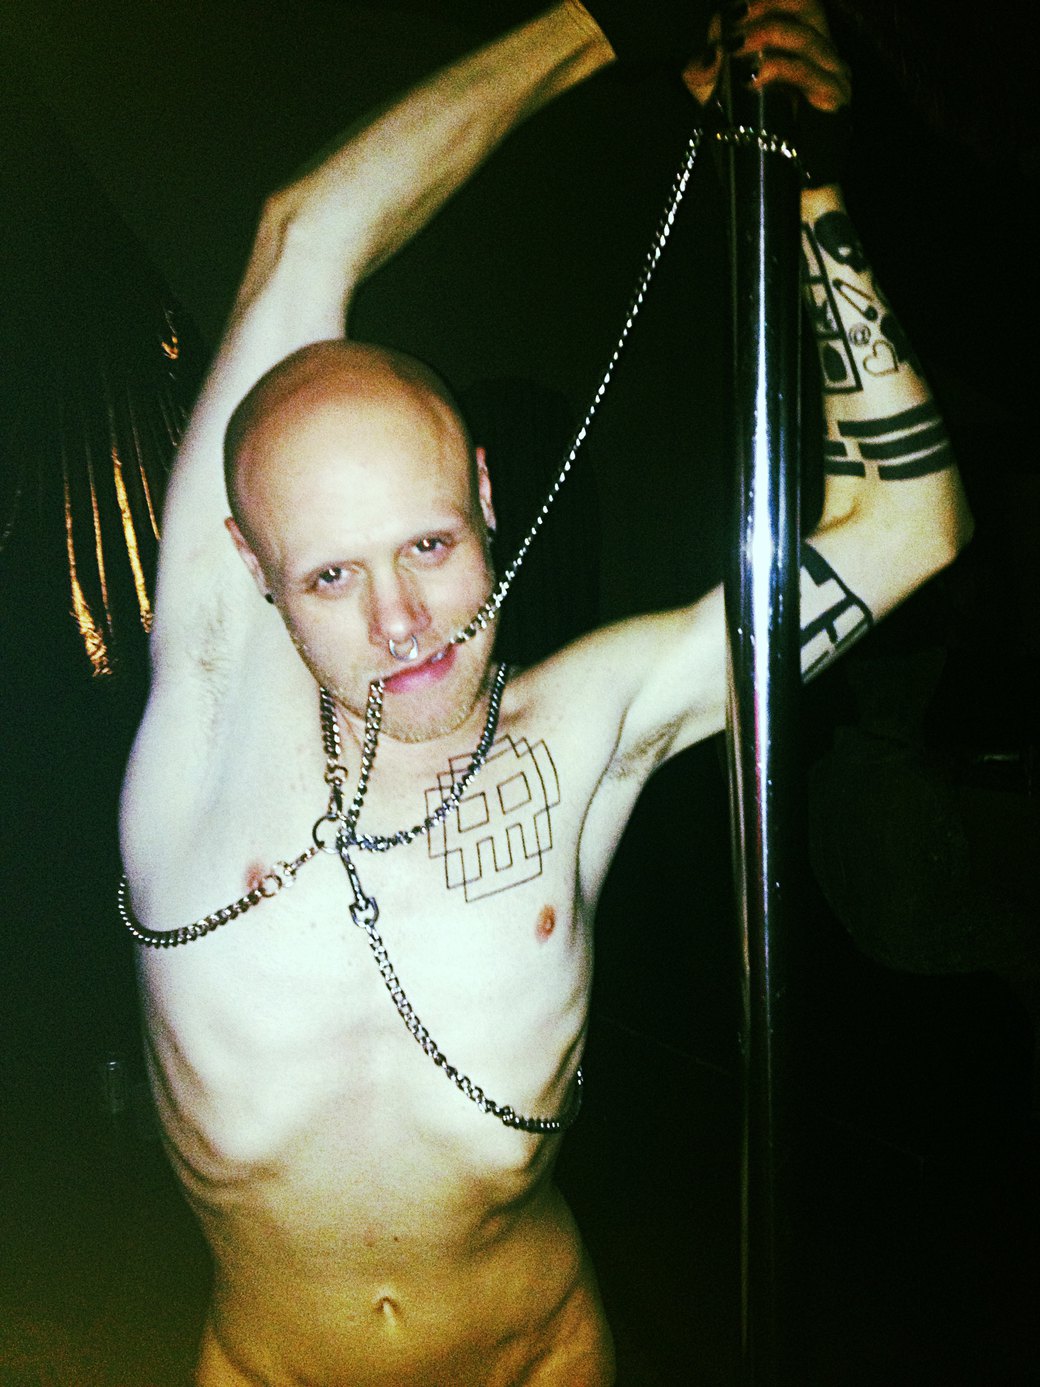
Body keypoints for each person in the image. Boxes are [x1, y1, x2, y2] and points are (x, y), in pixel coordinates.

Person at [119, 2, 972, 1382]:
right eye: (329, 576)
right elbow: (305, 233)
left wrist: (805, 187)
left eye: (430, 546)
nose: (402, 624)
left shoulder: (590, 728)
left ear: (486, 496)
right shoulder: (217, 706)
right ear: (250, 572)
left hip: (541, 1359)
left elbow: (911, 526)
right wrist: (601, 23)